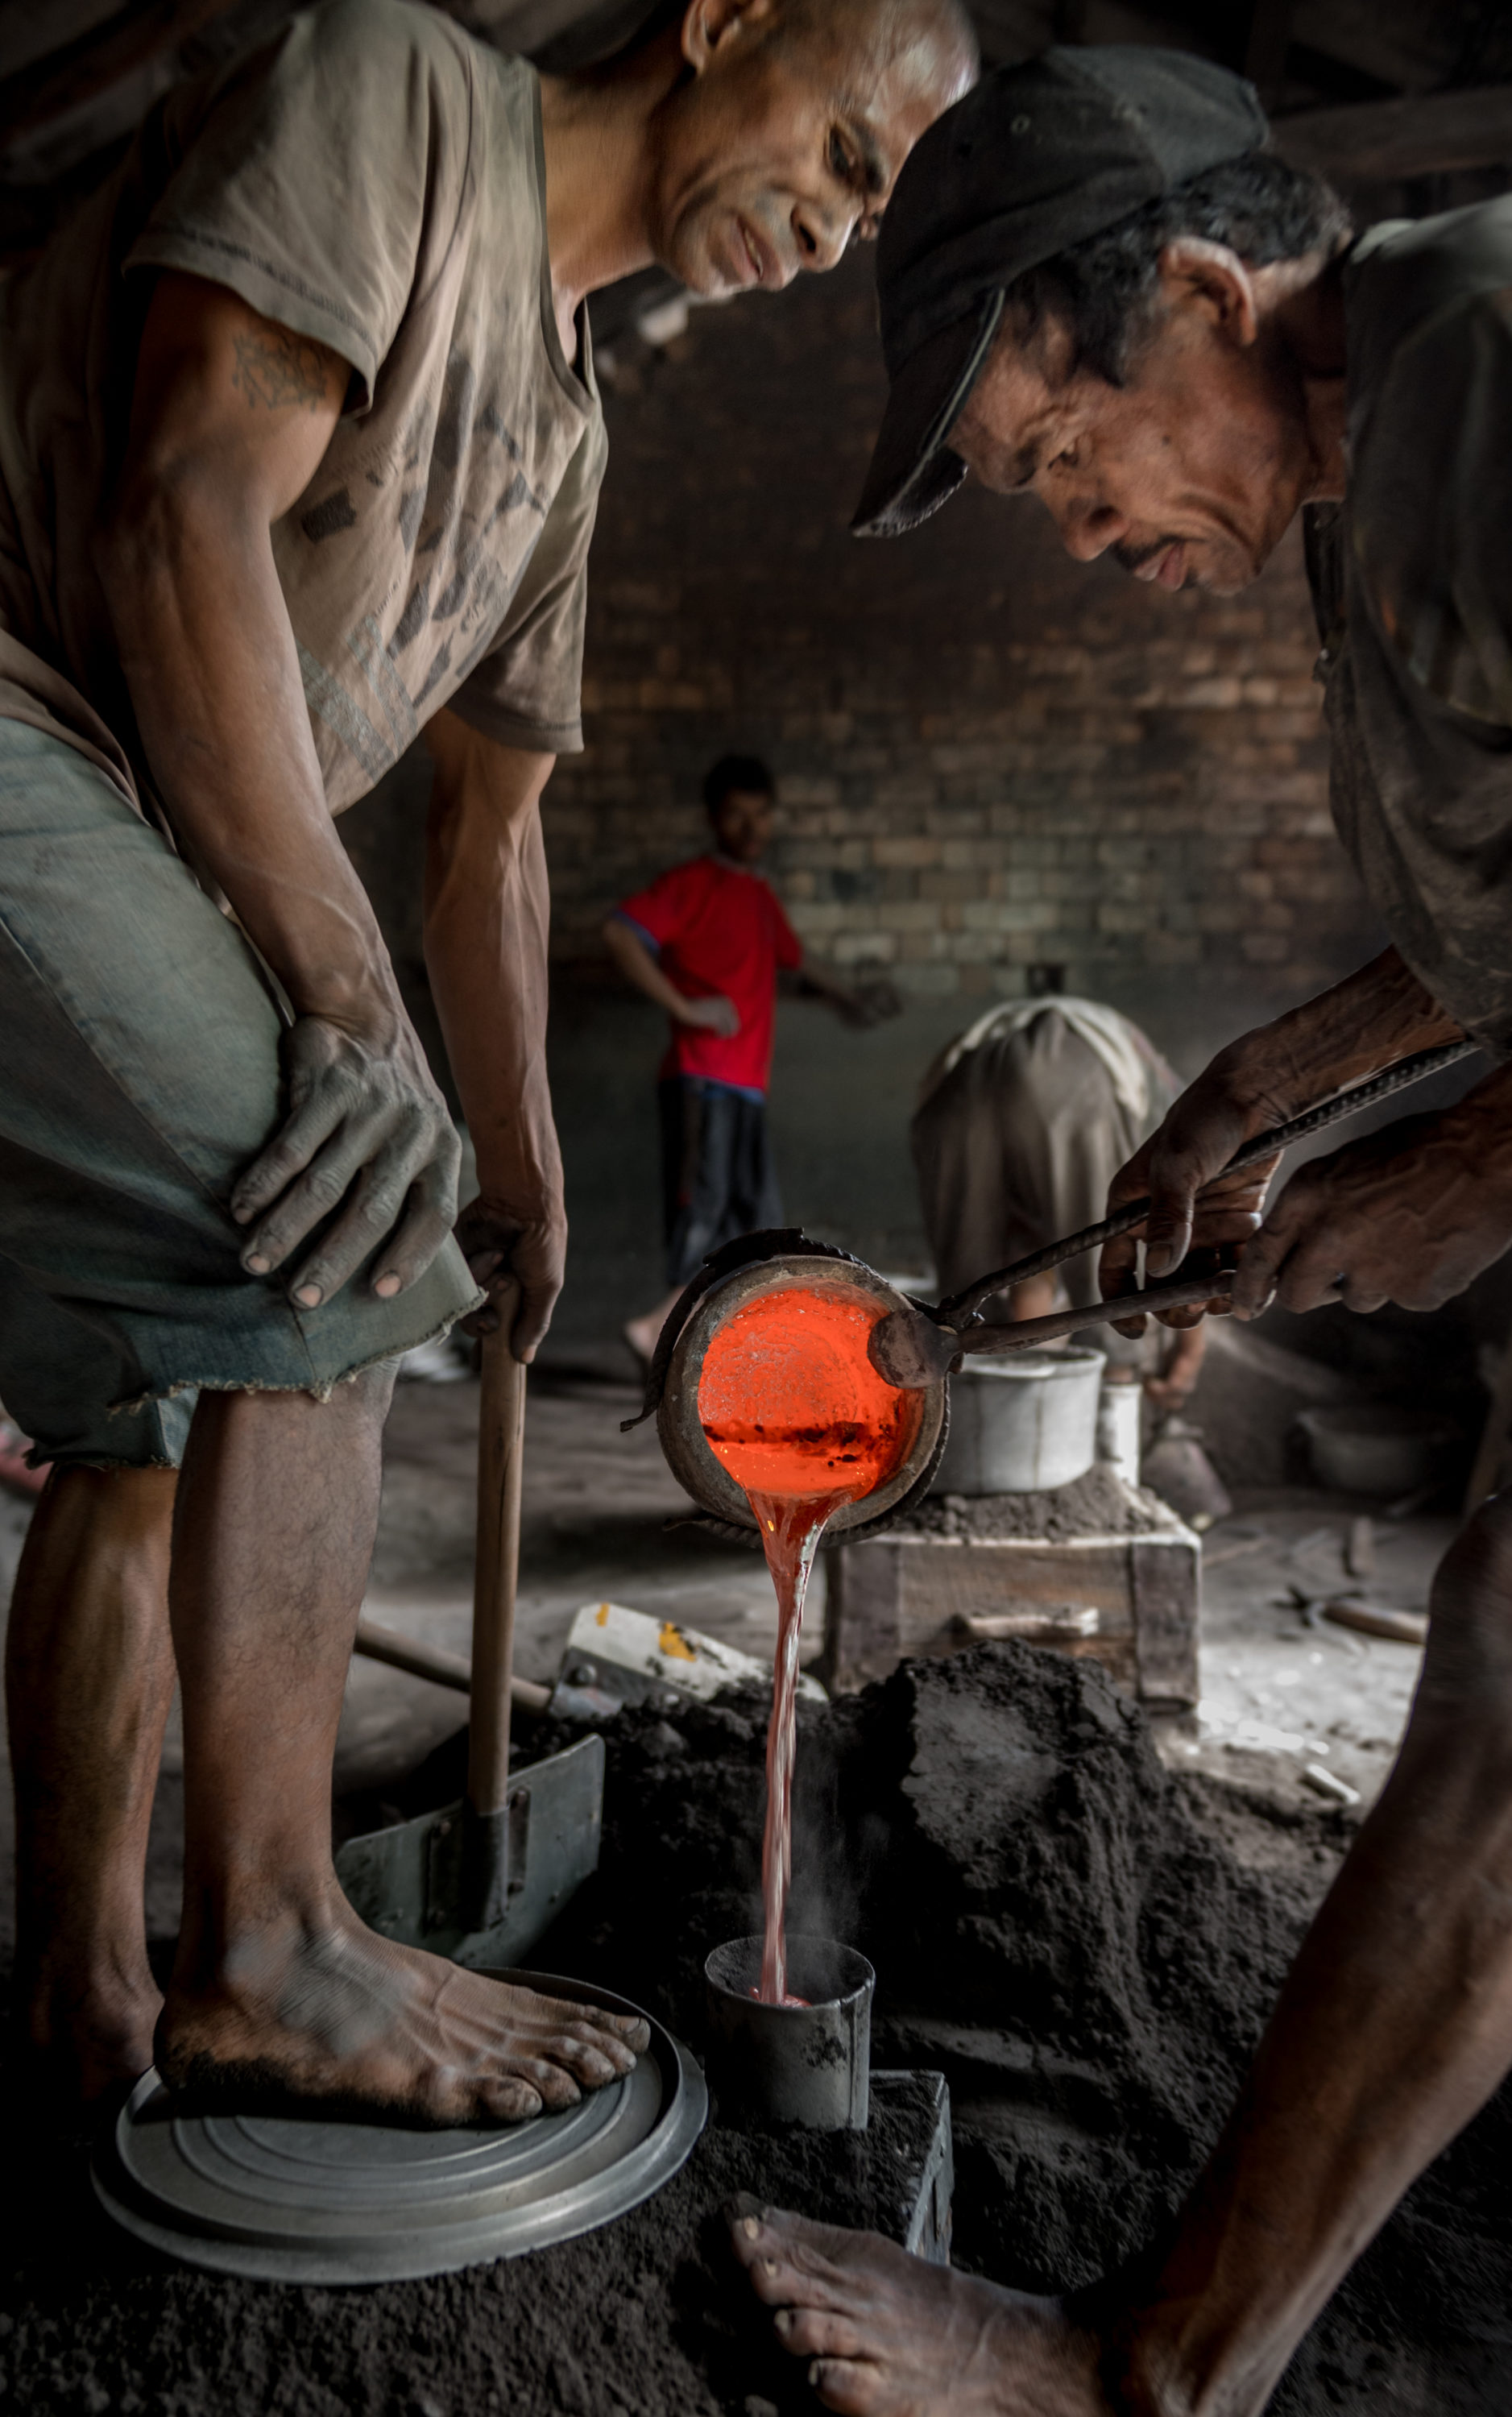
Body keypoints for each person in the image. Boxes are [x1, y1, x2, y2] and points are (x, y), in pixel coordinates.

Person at [732, 45, 1512, 2416]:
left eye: (1054, 456)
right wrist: (1279, 1083)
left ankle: (1157, 2374)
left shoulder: (1508, 358)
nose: (1074, 530)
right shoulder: (1390, 454)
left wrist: (1487, 1155)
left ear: (1210, 294)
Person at [2, 0, 978, 2114]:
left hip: (104, 840)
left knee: (143, 1423)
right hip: (14, 728)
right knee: (344, 1229)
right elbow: (187, 503)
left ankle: (76, 2003)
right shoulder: (391, 90)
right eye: (850, 149)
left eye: (870, 212)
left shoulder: (566, 430)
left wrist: (518, 1148)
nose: (838, 229)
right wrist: (356, 1027)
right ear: (727, 22)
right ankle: (264, 1944)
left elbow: (494, 834)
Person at [607, 752, 899, 1362]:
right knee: (702, 1221)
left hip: (745, 1089)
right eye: (737, 816)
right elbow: (620, 934)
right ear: (715, 819)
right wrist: (685, 1009)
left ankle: (697, 1342)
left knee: (758, 1225)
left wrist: (850, 998)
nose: (750, 829)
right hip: (701, 1082)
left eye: (760, 816)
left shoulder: (759, 897)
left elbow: (797, 962)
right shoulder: (691, 884)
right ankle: (658, 1334)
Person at [910, 993, 1205, 1413]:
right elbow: (1191, 1210)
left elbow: (1031, 1260)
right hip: (1072, 1079)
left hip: (956, 1086)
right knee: (1114, 1280)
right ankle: (1114, 1426)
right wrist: (1190, 1352)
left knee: (968, 1309)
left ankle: (984, 1424)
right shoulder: (1173, 1094)